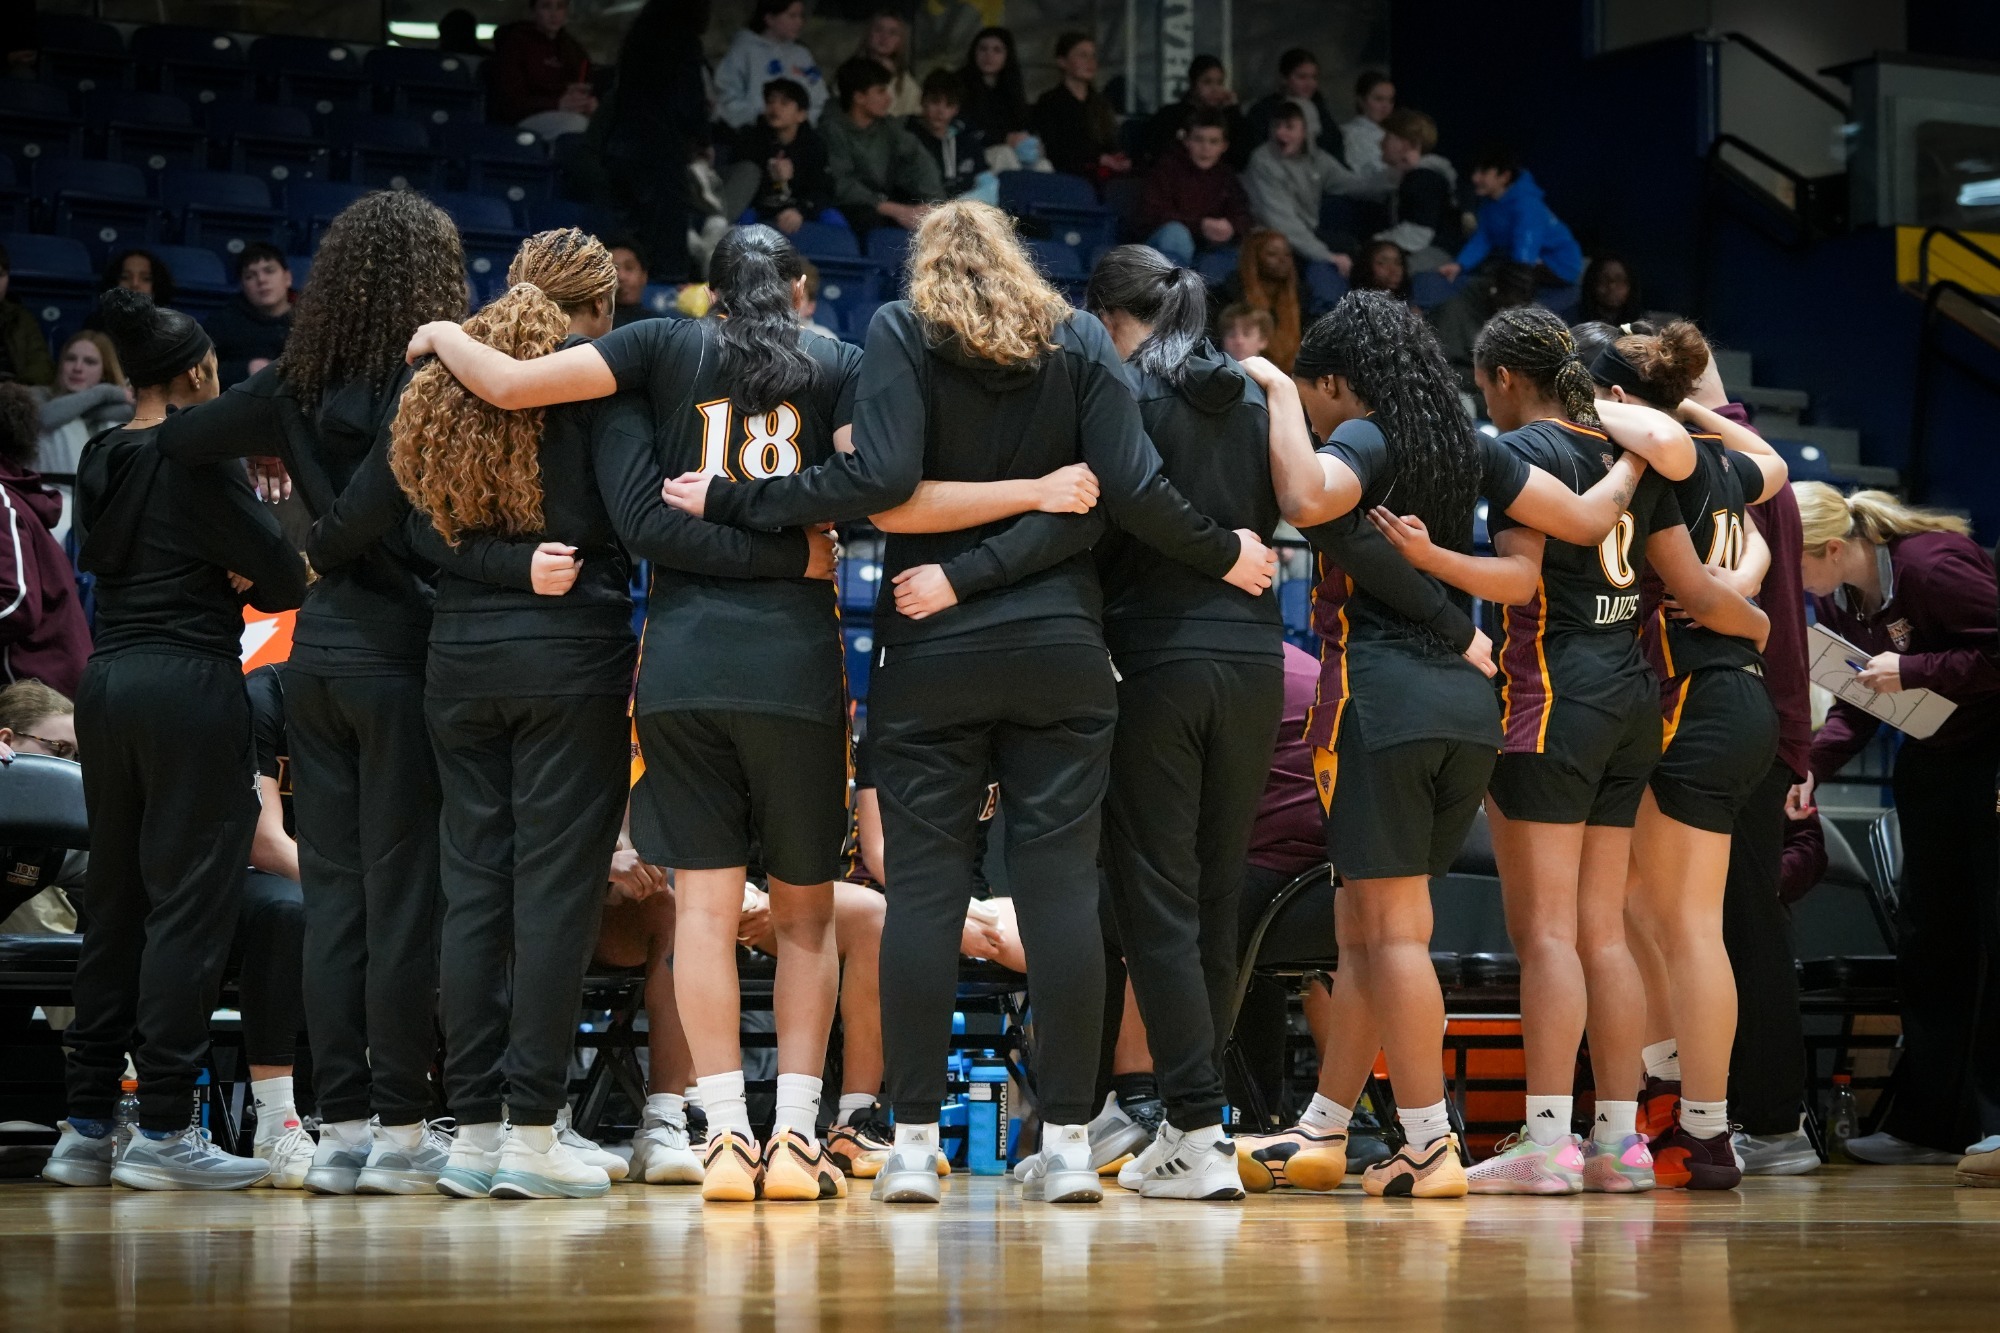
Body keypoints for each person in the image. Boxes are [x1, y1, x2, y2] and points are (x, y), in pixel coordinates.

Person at [652, 201, 1278, 1205]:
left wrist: (733, 498)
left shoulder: (900, 331)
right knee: (1063, 894)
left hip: (931, 652)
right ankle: (1070, 1145)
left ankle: (905, 1146)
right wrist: (1205, 547)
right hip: (1062, 657)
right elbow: (1113, 491)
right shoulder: (1077, 337)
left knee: (927, 895)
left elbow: (880, 480)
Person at [403, 224, 855, 1204]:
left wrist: (441, 331)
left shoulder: (659, 346)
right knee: (805, 919)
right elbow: (874, 485)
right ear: (797, 290)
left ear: (708, 295)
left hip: (683, 667)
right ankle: (794, 1139)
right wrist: (795, 540)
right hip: (795, 670)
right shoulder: (838, 362)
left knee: (697, 913)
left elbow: (516, 387)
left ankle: (722, 1134)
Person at [1259, 292, 1676, 1199]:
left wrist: (1272, 394)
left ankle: (1426, 1141)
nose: (1313, 407)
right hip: (1472, 711)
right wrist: (1636, 464)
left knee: (1398, 934)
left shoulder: (1367, 438)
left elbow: (1303, 494)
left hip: (1385, 698)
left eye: (1313, 390)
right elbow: (1568, 532)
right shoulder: (1471, 447)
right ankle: (1326, 1125)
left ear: (1336, 381)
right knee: (1367, 930)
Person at [1380, 308, 1767, 1195]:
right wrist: (1755, 614)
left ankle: (1548, 1140)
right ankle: (1620, 1144)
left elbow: (1518, 578)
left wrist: (1431, 556)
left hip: (1547, 701)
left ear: (1506, 378)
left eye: (1485, 383)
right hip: (1633, 702)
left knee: (1548, 933)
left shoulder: (1519, 454)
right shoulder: (1640, 456)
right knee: (1605, 934)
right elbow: (1706, 560)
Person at [152, 189, 470, 1197]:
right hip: (405, 657)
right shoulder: (433, 383)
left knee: (333, 901)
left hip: (314, 662)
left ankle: (338, 1135)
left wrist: (263, 531)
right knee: (403, 902)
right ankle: (403, 1131)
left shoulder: (292, 380)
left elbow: (177, 442)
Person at [339, 230, 638, 1200]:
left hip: (457, 662)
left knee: (472, 890)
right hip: (569, 662)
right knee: (552, 899)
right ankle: (529, 1133)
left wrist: (501, 566)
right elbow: (629, 519)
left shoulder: (440, 379)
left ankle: (467, 1132)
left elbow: (417, 530)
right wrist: (538, 568)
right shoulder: (597, 384)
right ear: (595, 308)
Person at [40, 288, 306, 1193]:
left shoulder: (105, 454)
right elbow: (279, 581)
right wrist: (245, 556)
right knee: (189, 907)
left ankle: (82, 1127)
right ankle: (162, 1126)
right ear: (198, 373)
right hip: (192, 681)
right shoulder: (201, 456)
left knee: (112, 900)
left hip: (106, 685)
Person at [1606, 321, 1789, 1191]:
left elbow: (1695, 590)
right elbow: (1777, 465)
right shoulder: (1718, 459)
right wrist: (1748, 577)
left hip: (1701, 695)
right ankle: (1671, 1095)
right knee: (1644, 910)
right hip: (1730, 697)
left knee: (1682, 924)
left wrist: (1742, 604)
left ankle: (1706, 1129)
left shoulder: (1665, 466)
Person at [1795, 482, 2000, 1165]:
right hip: (1935, 762)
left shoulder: (1932, 564)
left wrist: (1912, 667)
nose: (1793, 585)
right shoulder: (1838, 597)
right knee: (1931, 944)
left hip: (1991, 758)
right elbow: (1859, 700)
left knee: (1991, 938)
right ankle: (1931, 1126)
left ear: (1830, 548)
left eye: (1795, 564)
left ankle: (1994, 1120)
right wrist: (1812, 767)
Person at [237, 664, 316, 1190]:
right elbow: (263, 843)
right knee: (289, 910)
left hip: (341, 878)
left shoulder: (394, 689)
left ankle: (410, 1117)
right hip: (247, 876)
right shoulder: (266, 694)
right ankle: (276, 1122)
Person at [0, 383, 91, 697]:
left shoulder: (3, 498)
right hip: (51, 687)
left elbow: (16, 605)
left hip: (40, 695)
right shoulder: (13, 495)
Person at [1244, 102, 1367, 278]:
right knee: (1323, 268)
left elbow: (1354, 185)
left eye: (1289, 127)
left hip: (1306, 234)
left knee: (1351, 248)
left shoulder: (1317, 159)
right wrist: (1327, 256)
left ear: (1306, 130)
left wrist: (1394, 176)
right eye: (1277, 126)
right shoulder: (1263, 161)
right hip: (1268, 236)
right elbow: (1283, 224)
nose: (1280, 133)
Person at [824, 58, 944, 236]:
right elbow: (842, 185)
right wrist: (896, 210)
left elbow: (919, 163)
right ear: (859, 97)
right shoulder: (831, 130)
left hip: (886, 201)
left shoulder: (888, 127)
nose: (888, 99)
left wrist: (934, 206)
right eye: (881, 92)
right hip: (852, 208)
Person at [34, 330, 131, 541]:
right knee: (65, 423)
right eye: (71, 359)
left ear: (104, 370)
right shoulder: (39, 396)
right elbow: (47, 417)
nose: (78, 367)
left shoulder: (115, 414)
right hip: (51, 500)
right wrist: (103, 392)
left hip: (107, 509)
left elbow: (134, 411)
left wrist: (91, 404)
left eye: (89, 362)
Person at [1439, 145, 1583, 287]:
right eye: (1475, 171)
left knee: (1497, 283)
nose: (1475, 178)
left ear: (1504, 177)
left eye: (1483, 172)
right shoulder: (1489, 203)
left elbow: (1526, 247)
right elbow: (1484, 237)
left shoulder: (1526, 205)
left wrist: (1516, 278)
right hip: (1525, 260)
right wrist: (1460, 265)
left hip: (1559, 265)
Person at [720, 77, 835, 235]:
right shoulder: (750, 139)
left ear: (801, 115)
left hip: (799, 208)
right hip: (759, 208)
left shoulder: (813, 145)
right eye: (770, 102)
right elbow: (742, 189)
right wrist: (774, 180)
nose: (774, 108)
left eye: (784, 103)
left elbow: (822, 189)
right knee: (743, 221)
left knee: (834, 221)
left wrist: (800, 210)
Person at [1138, 110, 1252, 267]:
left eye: (1213, 142)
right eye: (1198, 140)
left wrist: (1232, 227)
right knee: (1176, 234)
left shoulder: (1226, 176)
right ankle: (1177, 290)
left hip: (1209, 246)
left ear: (1224, 146)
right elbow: (1151, 215)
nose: (1205, 148)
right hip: (1163, 248)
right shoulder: (1166, 169)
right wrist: (1200, 225)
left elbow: (1243, 213)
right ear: (1186, 141)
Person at [487, 0, 598, 139]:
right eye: (546, 6)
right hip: (524, 119)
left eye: (560, 7)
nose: (554, 14)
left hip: (570, 114)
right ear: (533, 12)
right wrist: (557, 103)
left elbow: (585, 83)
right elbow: (509, 101)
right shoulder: (514, 45)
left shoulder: (574, 49)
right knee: (577, 126)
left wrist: (587, 104)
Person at [714, 0, 827, 132]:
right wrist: (762, 119)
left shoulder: (802, 55)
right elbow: (727, 96)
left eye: (800, 16)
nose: (799, 22)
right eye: (792, 16)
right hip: (752, 135)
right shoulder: (744, 50)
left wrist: (801, 123)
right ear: (770, 19)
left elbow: (819, 97)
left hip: (798, 137)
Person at [1030, 33, 1129, 182]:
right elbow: (1054, 149)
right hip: (1068, 177)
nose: (1090, 62)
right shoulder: (1050, 101)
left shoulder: (1101, 103)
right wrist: (1099, 158)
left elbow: (1110, 141)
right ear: (1062, 62)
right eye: (1082, 55)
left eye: (1093, 56)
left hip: (1105, 176)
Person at [1374, 109, 1462, 273]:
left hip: (1437, 253)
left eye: (1387, 137)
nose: (1381, 143)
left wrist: (1376, 243)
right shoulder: (1406, 177)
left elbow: (1418, 235)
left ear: (1407, 144)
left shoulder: (1424, 179)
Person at [202, 243, 294, 388]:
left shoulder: (312, 320)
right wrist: (245, 370)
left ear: (287, 277)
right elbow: (200, 371)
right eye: (250, 276)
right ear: (242, 285)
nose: (262, 280)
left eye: (269, 271)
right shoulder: (223, 322)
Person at [956, 26, 1044, 173]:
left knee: (1042, 164)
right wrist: (1004, 138)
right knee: (1003, 154)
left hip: (1014, 153)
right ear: (974, 52)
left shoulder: (1011, 88)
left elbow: (1024, 123)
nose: (988, 56)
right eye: (983, 49)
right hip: (974, 155)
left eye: (997, 50)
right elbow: (963, 128)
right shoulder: (959, 85)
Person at [1214, 230, 1304, 371]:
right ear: (1253, 258)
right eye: (1272, 254)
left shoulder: (1302, 296)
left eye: (1287, 254)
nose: (1283, 260)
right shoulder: (1227, 296)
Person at [1142, 55, 1249, 171]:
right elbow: (1157, 153)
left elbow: (1240, 158)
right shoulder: (1170, 115)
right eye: (1207, 82)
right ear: (1193, 83)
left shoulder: (1227, 116)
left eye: (1219, 83)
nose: (1215, 89)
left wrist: (1233, 111)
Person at [1243, 48, 1347, 164]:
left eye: (1314, 77)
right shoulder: (1262, 112)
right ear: (1284, 79)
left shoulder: (1321, 112)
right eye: (1302, 77)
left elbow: (1336, 153)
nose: (1309, 84)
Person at [906, 71, 989, 201]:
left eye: (949, 105)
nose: (941, 111)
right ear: (922, 101)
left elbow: (986, 182)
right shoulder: (907, 138)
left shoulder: (968, 141)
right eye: (935, 102)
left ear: (956, 109)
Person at [0, 240, 55, 387]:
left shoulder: (20, 318)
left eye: (1, 275)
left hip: (16, 396)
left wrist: (14, 389)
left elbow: (42, 367)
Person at [854, 7, 921, 118]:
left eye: (892, 33)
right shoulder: (850, 72)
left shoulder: (907, 85)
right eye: (879, 30)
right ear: (869, 34)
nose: (884, 37)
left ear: (899, 41)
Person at [85, 250, 176, 329]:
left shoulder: (170, 328)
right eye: (125, 277)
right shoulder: (96, 324)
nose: (134, 284)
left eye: (145, 279)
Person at [1342, 72, 1395, 176]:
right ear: (1361, 101)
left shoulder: (1392, 133)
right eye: (1379, 99)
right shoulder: (1350, 134)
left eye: (1390, 100)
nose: (1386, 106)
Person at [1577, 254, 1643, 327]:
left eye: (1619, 280)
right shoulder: (1571, 322)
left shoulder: (1645, 326)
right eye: (1604, 279)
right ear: (1592, 283)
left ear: (1631, 285)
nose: (1611, 286)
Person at [1350, 239, 1412, 303]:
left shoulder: (1410, 306)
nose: (1393, 270)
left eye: (1398, 263)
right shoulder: (1350, 306)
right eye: (1382, 263)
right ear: (1366, 266)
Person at [610, 241, 655, 327]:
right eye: (612, 269)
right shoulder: (591, 327)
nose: (621, 276)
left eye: (629, 268)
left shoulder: (661, 326)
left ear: (644, 276)